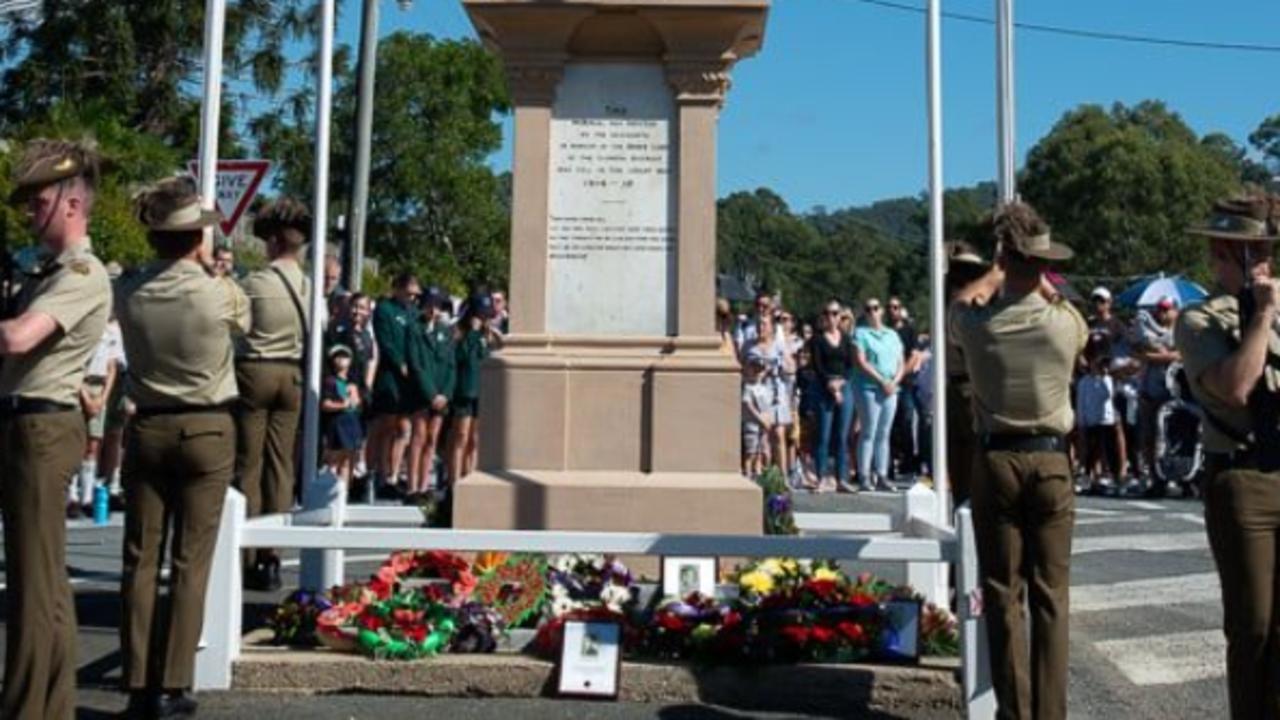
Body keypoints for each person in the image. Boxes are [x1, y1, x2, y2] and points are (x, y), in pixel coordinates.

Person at [115, 177, 250, 719]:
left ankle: (138, 682)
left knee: (140, 559)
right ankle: (174, 682)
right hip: (207, 424)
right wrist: (216, 272)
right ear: (197, 238)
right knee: (190, 561)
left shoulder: (129, 289)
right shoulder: (219, 291)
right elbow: (245, 323)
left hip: (147, 423)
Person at [950, 201, 1087, 720]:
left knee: (1004, 595)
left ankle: (1015, 711)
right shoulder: (1063, 325)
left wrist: (992, 270)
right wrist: (1036, 279)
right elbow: (1068, 313)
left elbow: (960, 304)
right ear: (1043, 264)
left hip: (997, 458)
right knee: (1052, 595)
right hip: (1051, 460)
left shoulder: (977, 324)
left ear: (1005, 257)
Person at [0, 139, 111, 720]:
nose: (28, 212)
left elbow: (19, 339)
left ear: (71, 204)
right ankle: (51, 706)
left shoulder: (83, 273)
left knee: (32, 588)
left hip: (42, 425)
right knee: (44, 584)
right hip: (30, 423)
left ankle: (25, 708)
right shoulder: (46, 269)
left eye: (38, 201)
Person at [1174, 191, 1280, 719]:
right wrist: (1260, 319)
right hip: (1243, 478)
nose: (1258, 263)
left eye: (1263, 251)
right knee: (1254, 627)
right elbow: (1237, 388)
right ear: (1218, 257)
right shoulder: (1199, 322)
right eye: (1244, 253)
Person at [235, 197, 311, 591]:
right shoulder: (309, 287)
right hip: (293, 373)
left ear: (277, 241)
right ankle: (272, 556)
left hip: (255, 369)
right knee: (280, 466)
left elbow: (234, 325)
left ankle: (247, 554)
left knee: (249, 463)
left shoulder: (255, 283)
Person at [943, 241, 991, 508]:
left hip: (971, 382)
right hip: (953, 384)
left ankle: (971, 508)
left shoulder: (976, 304)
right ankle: (961, 507)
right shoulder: (950, 302)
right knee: (957, 455)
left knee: (973, 453)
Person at [369, 272, 421, 499]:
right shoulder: (385, 310)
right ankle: (381, 473)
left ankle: (394, 474)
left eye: (414, 295)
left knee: (404, 427)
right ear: (398, 289)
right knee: (388, 425)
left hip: (410, 379)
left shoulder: (413, 312)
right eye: (408, 293)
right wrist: (399, 363)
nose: (411, 298)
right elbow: (386, 340)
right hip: (391, 375)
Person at [406, 287, 456, 500]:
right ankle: (412, 486)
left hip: (440, 393)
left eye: (436, 305)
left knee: (432, 439)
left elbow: (451, 366)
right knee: (419, 436)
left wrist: (445, 394)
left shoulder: (445, 331)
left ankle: (425, 484)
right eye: (429, 305)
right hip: (421, 392)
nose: (433, 309)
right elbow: (416, 365)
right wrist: (431, 394)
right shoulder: (414, 329)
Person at [448, 294, 503, 488]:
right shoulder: (460, 332)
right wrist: (472, 332)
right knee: (461, 436)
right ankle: (454, 481)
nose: (484, 318)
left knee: (475, 438)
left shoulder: (487, 335)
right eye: (481, 314)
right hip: (464, 390)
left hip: (482, 392)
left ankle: (470, 476)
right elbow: (461, 357)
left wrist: (492, 336)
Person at [72, 315, 123, 518]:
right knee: (76, 440)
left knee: (93, 443)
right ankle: (72, 496)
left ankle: (87, 497)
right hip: (81, 385)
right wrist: (84, 395)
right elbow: (74, 364)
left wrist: (102, 398)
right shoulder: (83, 326)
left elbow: (111, 368)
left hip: (100, 387)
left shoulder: (110, 331)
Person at [852, 298, 905, 492]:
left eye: (875, 308)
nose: (872, 312)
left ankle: (882, 474)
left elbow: (901, 361)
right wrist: (881, 380)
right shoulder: (860, 333)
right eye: (868, 309)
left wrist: (894, 381)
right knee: (868, 431)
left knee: (884, 433)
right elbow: (861, 361)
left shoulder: (892, 335)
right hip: (868, 387)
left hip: (891, 388)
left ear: (881, 311)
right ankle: (864, 475)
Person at [808, 299, 856, 492]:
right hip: (824, 387)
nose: (831, 317)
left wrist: (841, 383)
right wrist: (831, 385)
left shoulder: (846, 339)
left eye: (835, 313)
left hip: (844, 385)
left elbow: (851, 365)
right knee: (823, 435)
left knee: (843, 435)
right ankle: (821, 477)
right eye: (827, 313)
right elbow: (817, 366)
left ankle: (842, 478)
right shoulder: (817, 340)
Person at [1136, 296, 1181, 497]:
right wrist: (1162, 353)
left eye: (1166, 309)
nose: (1162, 313)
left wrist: (1155, 355)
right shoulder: (1147, 329)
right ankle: (1156, 478)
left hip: (1175, 393)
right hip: (1150, 391)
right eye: (1159, 309)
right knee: (1149, 438)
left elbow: (1181, 354)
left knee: (1174, 437)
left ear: (1175, 310)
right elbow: (1139, 350)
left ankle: (1179, 477)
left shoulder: (1182, 330)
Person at [887, 297, 923, 478]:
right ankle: (890, 463)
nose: (892, 310)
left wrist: (900, 375)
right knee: (890, 424)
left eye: (896, 307)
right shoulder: (884, 332)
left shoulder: (909, 331)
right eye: (889, 307)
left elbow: (915, 356)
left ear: (901, 309)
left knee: (907, 421)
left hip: (906, 383)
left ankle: (909, 463)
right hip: (887, 383)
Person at [321, 345, 365, 485]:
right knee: (334, 459)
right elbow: (325, 404)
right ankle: (330, 487)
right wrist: (342, 405)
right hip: (337, 423)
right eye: (338, 356)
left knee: (348, 459)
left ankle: (344, 491)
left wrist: (356, 399)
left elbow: (358, 403)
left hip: (352, 422)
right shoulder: (330, 381)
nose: (342, 359)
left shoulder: (352, 382)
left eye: (345, 356)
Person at [1077, 353, 1119, 493]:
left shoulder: (1107, 380)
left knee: (1108, 450)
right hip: (1091, 421)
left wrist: (1102, 376)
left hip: (1106, 420)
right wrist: (1081, 421)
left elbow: (1107, 395)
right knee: (1091, 451)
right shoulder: (1084, 382)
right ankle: (1088, 477)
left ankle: (1110, 476)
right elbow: (1080, 403)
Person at [741, 355, 773, 477]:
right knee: (751, 453)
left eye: (761, 370)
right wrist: (760, 419)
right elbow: (748, 405)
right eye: (755, 369)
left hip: (764, 424)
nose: (758, 372)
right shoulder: (748, 388)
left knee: (761, 452)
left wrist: (768, 419)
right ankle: (748, 475)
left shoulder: (765, 388)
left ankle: (760, 475)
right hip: (752, 424)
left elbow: (768, 406)